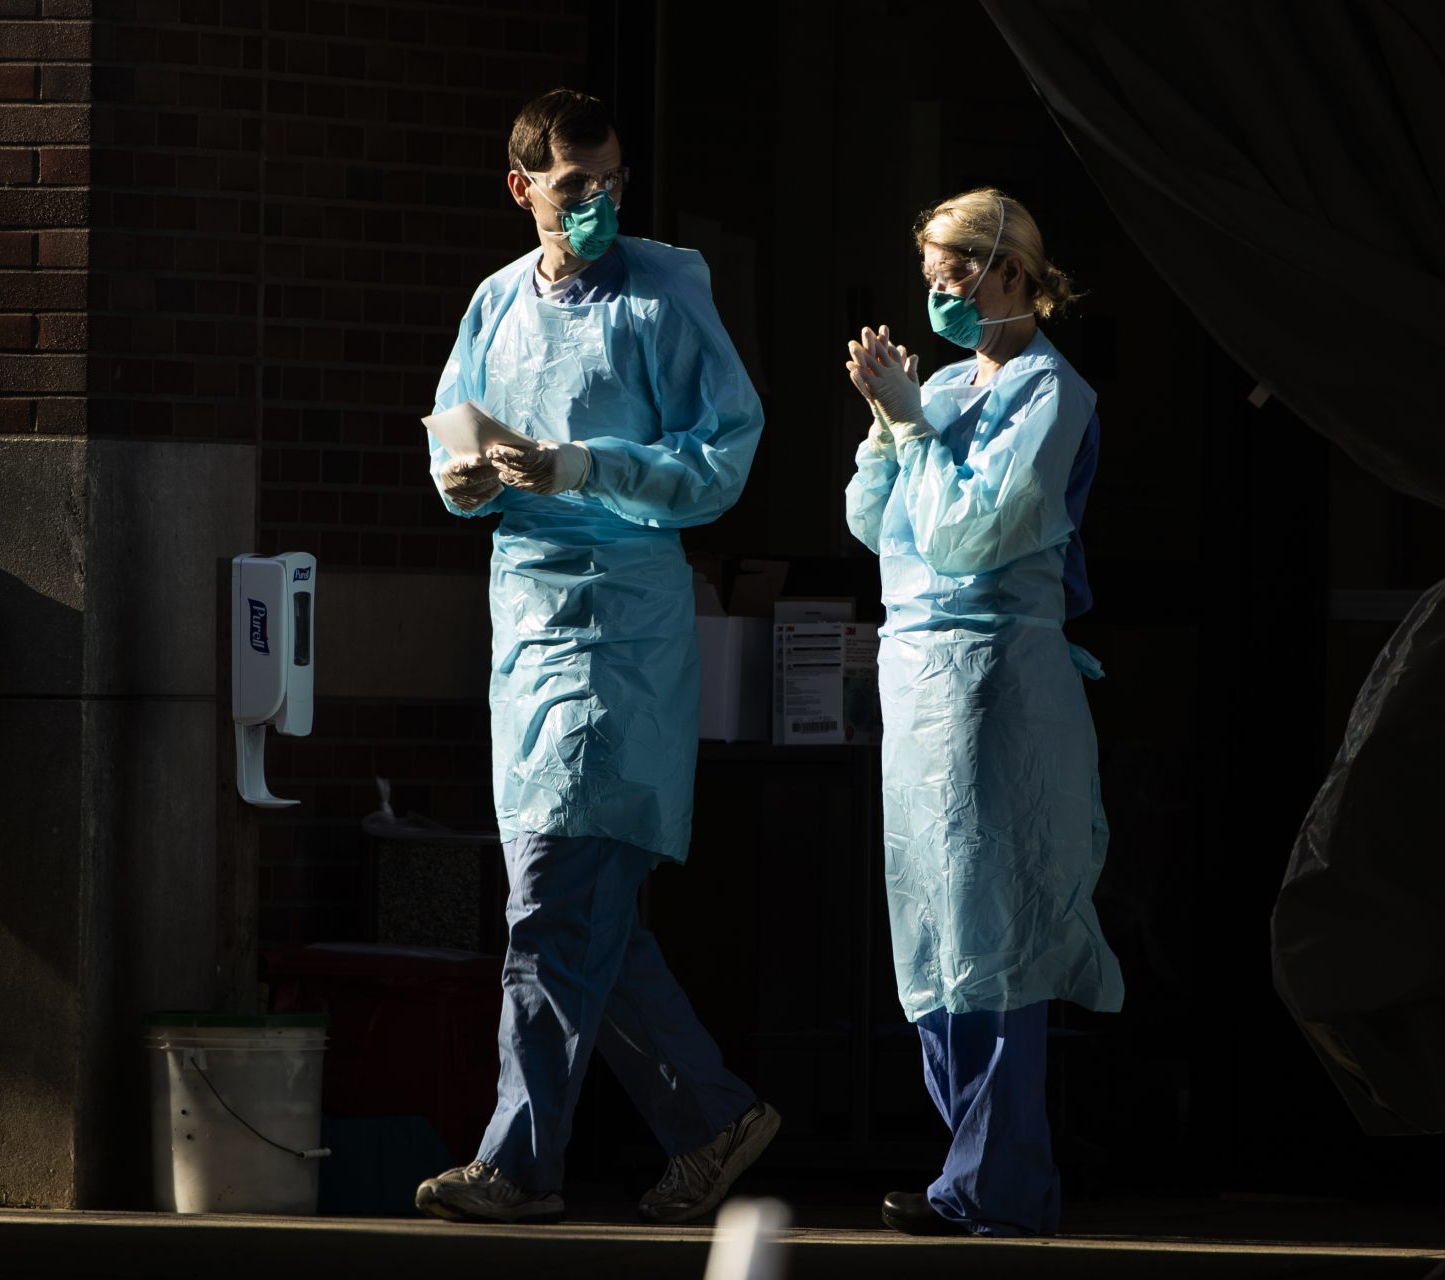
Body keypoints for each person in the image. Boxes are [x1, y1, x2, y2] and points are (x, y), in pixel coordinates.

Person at [413, 88, 777, 1225]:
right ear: (520, 188)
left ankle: (518, 1162)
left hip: (619, 628)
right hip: (524, 627)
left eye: (613, 181)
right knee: (580, 909)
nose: (600, 203)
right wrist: (464, 482)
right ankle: (712, 1116)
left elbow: (722, 456)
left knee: (551, 904)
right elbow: (449, 434)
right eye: (576, 187)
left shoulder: (664, 294)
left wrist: (589, 468)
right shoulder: (493, 302)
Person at [843, 188, 1123, 1238]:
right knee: (933, 924)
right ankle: (974, 1167)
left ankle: (998, 1183)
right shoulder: (950, 383)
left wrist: (916, 429)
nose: (940, 295)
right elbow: (877, 524)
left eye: (956, 273)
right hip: (917, 679)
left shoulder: (1057, 396)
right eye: (930, 275)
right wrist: (888, 423)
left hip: (1000, 679)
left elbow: (971, 535)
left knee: (999, 928)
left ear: (1013, 271)